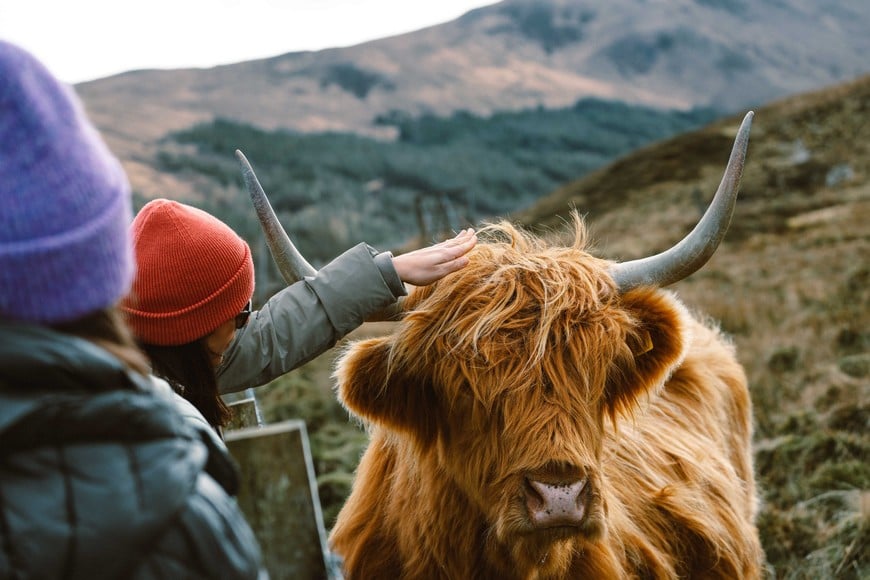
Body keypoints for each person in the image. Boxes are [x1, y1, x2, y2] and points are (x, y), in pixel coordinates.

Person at [0, 40, 264, 579]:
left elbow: (272, 338)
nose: (245, 329)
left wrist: (380, 276)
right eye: (239, 316)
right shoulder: (177, 513)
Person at [122, 198, 477, 432]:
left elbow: (269, 337)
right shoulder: (126, 415)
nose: (248, 322)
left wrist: (387, 272)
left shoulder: (167, 358)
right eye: (241, 314)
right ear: (189, 328)